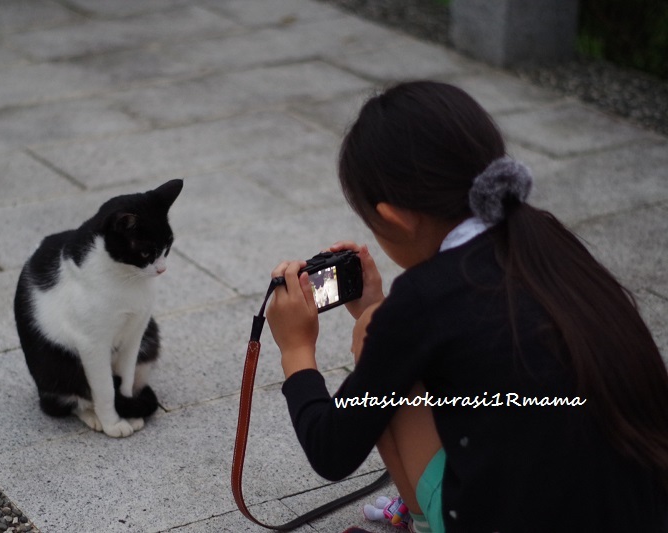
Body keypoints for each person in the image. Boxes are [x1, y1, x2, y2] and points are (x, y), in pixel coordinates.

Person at [265, 81, 668, 532]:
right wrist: (377, 307)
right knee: (383, 330)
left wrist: (296, 349)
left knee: (372, 336)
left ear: (393, 216)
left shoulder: (422, 299)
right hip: (641, 510)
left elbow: (331, 451)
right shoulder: (545, 238)